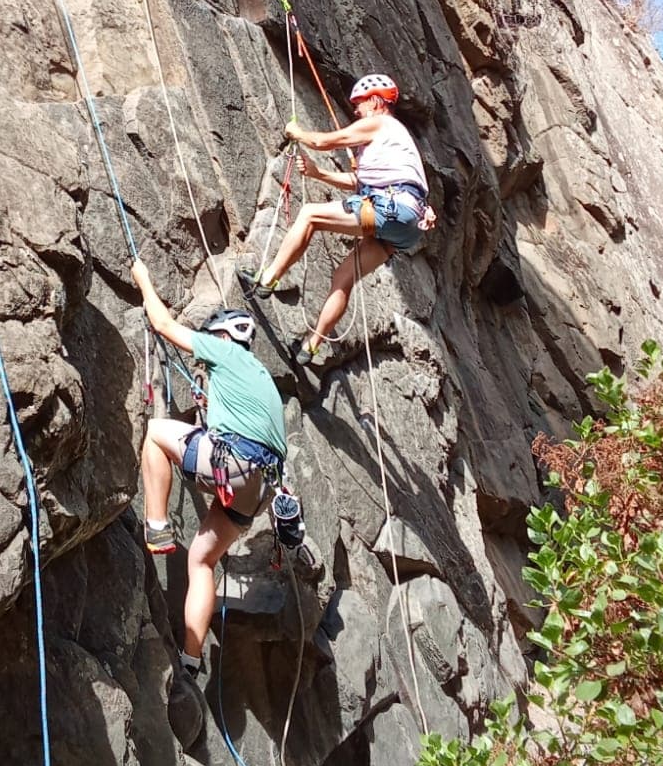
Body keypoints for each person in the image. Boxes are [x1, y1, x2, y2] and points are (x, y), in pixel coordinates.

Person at [130, 257, 288, 678]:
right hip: (255, 491)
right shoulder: (261, 378)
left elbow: (163, 326)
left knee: (156, 434)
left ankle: (157, 524)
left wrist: (144, 279)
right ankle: (192, 657)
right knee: (201, 560)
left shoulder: (223, 351)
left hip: (232, 463)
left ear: (222, 336)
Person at [241, 73, 436, 365]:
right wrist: (319, 174)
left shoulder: (379, 123)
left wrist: (299, 133)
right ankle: (312, 345)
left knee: (309, 215)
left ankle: (268, 278)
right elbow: (358, 181)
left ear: (376, 102)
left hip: (390, 205)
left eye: (360, 104)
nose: (356, 110)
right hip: (407, 221)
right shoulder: (396, 142)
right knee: (343, 278)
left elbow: (327, 141)